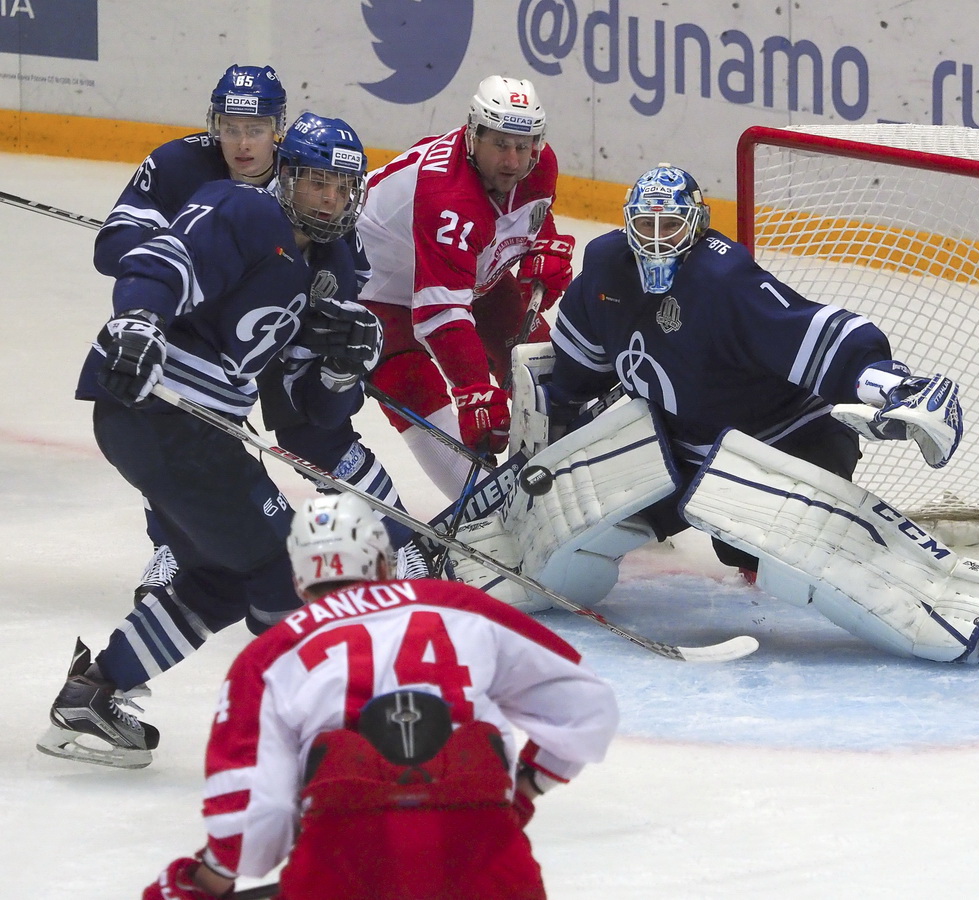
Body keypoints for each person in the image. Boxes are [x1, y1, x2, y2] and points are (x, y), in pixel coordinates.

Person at [488, 164, 979, 664]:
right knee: (589, 530)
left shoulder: (723, 282)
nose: (654, 238)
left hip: (787, 440)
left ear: (695, 226)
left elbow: (816, 335)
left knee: (758, 542)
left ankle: (958, 613)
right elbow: (578, 372)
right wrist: (547, 438)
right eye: (644, 224)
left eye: (669, 225)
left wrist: (885, 383)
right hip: (682, 448)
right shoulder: (606, 270)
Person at [36, 112, 383, 769]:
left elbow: (307, 416)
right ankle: (306, 740)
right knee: (283, 569)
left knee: (219, 581)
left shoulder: (330, 272)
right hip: (155, 409)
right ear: (287, 179)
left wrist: (342, 368)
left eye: (341, 187)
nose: (328, 198)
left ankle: (94, 692)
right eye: (314, 182)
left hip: (191, 432)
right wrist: (138, 320)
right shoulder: (243, 211)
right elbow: (160, 262)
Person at [141, 492, 618, 899]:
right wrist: (524, 790)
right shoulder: (462, 607)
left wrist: (204, 881)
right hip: (482, 850)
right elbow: (585, 707)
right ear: (386, 563)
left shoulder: (270, 655)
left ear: (300, 581)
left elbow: (252, 816)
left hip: (342, 863)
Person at [94, 64, 418, 602]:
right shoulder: (181, 165)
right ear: (214, 123)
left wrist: (341, 354)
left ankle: (403, 541)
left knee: (317, 433)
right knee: (173, 413)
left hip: (279, 322)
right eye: (232, 126)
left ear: (280, 132)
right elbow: (113, 249)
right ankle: (174, 545)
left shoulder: (313, 183)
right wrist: (179, 255)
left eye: (258, 128)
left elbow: (342, 284)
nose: (243, 143)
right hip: (207, 315)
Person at [357, 75, 576, 499]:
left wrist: (541, 244)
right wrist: (473, 390)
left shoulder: (540, 163)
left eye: (523, 144)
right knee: (412, 386)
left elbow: (529, 215)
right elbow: (441, 314)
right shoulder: (447, 197)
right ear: (472, 136)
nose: (513, 160)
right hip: (375, 288)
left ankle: (579, 477)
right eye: (499, 144)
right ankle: (485, 508)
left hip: (467, 272)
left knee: (542, 369)